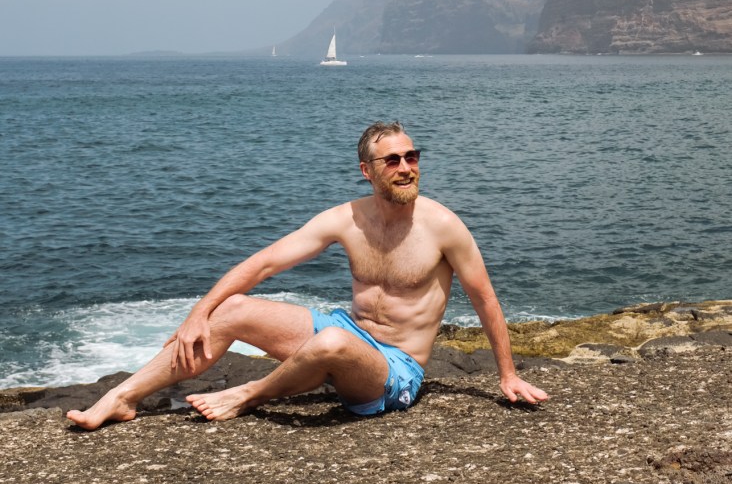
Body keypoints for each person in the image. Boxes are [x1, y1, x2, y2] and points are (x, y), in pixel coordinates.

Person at [67, 121, 547, 429]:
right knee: (230, 310)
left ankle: (248, 396)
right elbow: (263, 263)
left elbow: (484, 298)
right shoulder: (347, 218)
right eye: (393, 160)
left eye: (412, 157)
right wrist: (199, 312)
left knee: (332, 342)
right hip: (346, 332)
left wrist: (507, 375)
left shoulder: (443, 226)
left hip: (394, 372)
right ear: (367, 170)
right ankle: (122, 397)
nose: (406, 168)